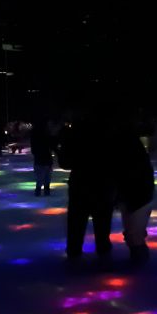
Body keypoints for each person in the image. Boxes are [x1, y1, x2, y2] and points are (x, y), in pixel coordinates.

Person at [59, 112, 115, 263]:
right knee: (102, 225)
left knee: (76, 224)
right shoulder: (108, 133)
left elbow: (64, 162)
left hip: (81, 185)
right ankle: (103, 256)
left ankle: (74, 256)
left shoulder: (74, 134)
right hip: (103, 184)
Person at [115, 127, 155, 264]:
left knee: (134, 235)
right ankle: (137, 263)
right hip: (129, 193)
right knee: (131, 235)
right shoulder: (126, 149)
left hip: (140, 194)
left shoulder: (134, 154)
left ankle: (140, 265)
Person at [31, 119, 55, 196]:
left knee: (40, 177)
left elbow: (33, 150)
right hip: (46, 159)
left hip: (40, 160)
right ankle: (45, 191)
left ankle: (39, 191)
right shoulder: (47, 135)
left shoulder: (35, 136)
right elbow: (52, 146)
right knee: (47, 177)